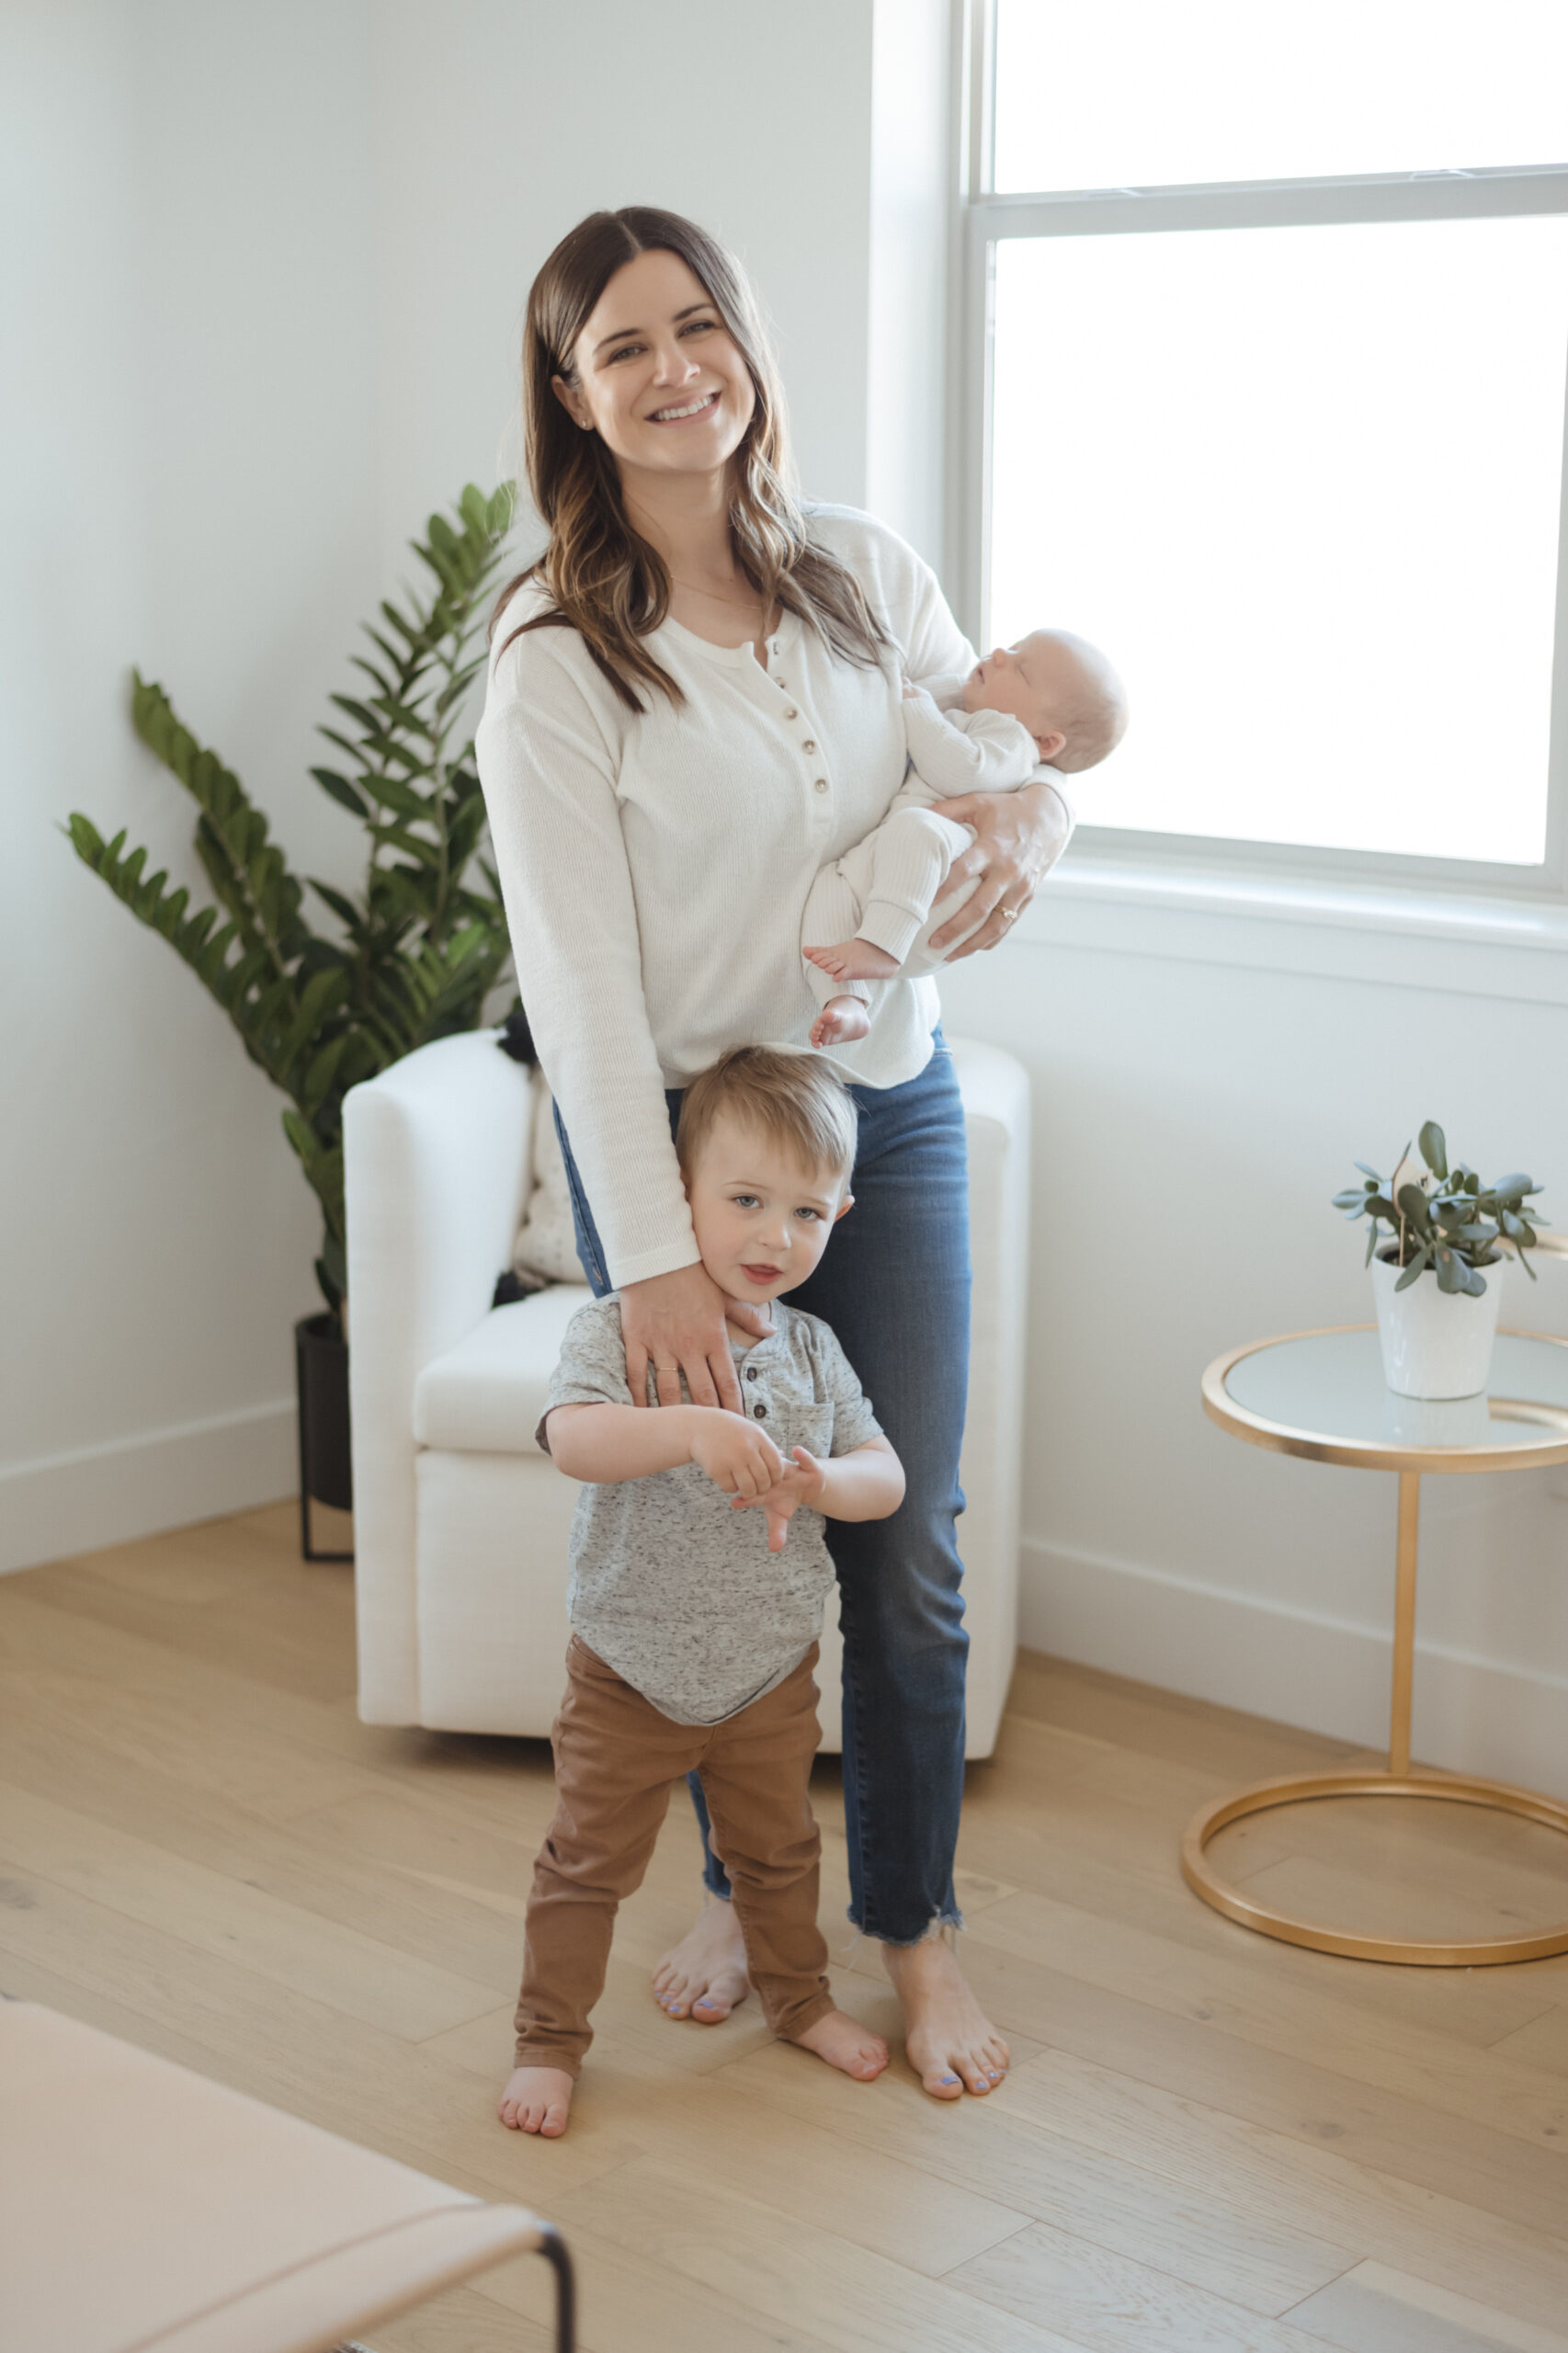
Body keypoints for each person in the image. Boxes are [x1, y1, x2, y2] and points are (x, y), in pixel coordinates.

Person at [478, 204, 1074, 2100]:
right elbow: (569, 978)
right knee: (724, 1529)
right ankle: (751, 1887)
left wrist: (1030, 843)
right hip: (669, 1147)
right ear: (573, 401)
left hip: (872, 1120)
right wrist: (642, 1250)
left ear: (743, 340)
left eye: (697, 325)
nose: (676, 371)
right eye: (624, 348)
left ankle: (912, 1922)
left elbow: (1019, 758)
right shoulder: (557, 652)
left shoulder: (862, 570)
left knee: (898, 1527)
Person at [499, 1049, 904, 2138]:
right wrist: (689, 1427)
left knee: (776, 1857)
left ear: (841, 1212)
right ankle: (548, 2040)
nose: (775, 1236)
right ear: (676, 1193)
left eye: (807, 1211)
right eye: (745, 1201)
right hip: (628, 1667)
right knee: (586, 1865)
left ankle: (799, 1999)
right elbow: (573, 1442)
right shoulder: (621, 1329)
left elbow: (887, 1476)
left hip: (767, 1675)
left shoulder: (816, 1353)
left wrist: (826, 1477)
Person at [804, 631, 1128, 1048]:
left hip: (937, 889)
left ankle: (880, 945)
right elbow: (901, 694)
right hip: (897, 874)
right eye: (1010, 647)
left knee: (918, 828)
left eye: (1019, 667)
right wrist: (932, 692)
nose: (997, 654)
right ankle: (846, 1002)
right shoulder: (975, 709)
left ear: (1046, 741)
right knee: (829, 889)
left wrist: (917, 704)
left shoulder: (1011, 740)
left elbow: (958, 770)